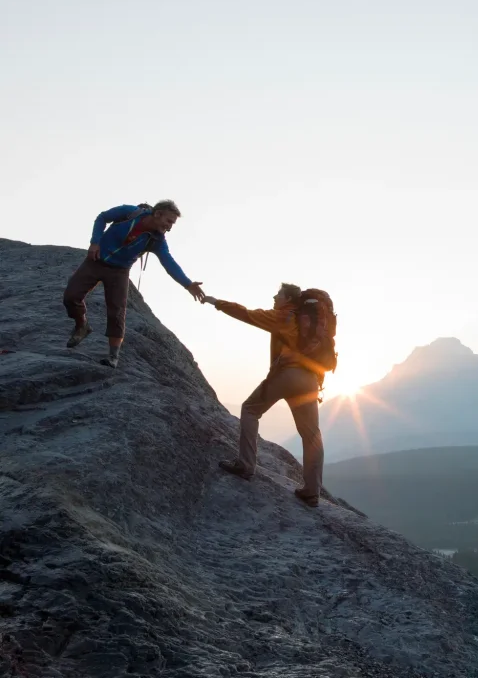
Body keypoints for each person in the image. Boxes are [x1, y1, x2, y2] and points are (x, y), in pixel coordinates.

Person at [205, 284, 327, 507]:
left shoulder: (284, 316)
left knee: (250, 409)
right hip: (310, 381)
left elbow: (247, 314)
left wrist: (217, 303)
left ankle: (245, 465)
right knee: (311, 435)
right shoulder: (310, 322)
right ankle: (312, 491)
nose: (274, 296)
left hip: (287, 375)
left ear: (288, 298)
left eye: (278, 294)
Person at [63, 201, 205, 367]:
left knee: (117, 312)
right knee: (71, 296)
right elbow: (102, 217)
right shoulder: (129, 213)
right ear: (157, 214)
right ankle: (82, 326)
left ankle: (113, 357)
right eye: (169, 221)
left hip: (119, 272)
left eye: (172, 223)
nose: (170, 227)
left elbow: (169, 263)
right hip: (96, 261)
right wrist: (95, 242)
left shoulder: (157, 240)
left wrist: (188, 284)